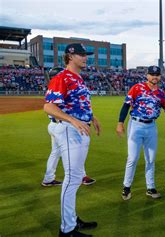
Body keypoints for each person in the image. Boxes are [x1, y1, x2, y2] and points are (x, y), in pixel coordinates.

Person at [44, 43, 100, 237]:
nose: (85, 58)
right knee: (72, 178)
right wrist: (73, 120)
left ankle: (71, 219)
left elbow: (78, 103)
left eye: (86, 55)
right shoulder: (62, 77)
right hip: (69, 129)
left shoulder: (77, 78)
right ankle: (66, 230)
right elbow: (49, 107)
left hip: (79, 129)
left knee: (75, 178)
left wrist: (92, 117)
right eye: (81, 55)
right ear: (70, 57)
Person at [116, 66, 165, 200]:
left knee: (150, 159)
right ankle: (126, 187)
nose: (155, 77)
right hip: (136, 124)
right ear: (147, 76)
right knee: (132, 158)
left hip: (151, 126)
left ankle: (150, 187)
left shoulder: (162, 94)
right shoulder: (137, 88)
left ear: (160, 77)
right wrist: (120, 122)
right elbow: (126, 105)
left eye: (157, 74)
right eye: (152, 74)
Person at [41, 66, 96, 187]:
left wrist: (91, 117)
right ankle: (81, 176)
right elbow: (52, 107)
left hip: (54, 126)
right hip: (60, 125)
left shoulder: (56, 86)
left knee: (56, 152)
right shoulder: (59, 85)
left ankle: (48, 178)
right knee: (75, 151)